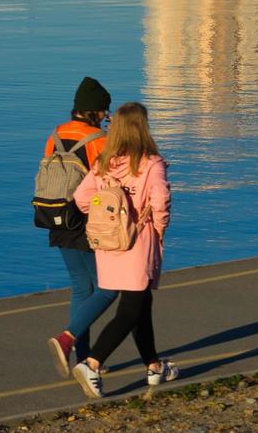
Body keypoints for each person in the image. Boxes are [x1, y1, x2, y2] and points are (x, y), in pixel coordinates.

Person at [67, 102, 176, 398]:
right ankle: (92, 362)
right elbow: (160, 200)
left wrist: (105, 218)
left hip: (109, 243)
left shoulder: (105, 161)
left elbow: (81, 197)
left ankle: (154, 366)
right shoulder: (151, 163)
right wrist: (159, 227)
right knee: (130, 310)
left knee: (140, 305)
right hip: (138, 242)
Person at [42, 78, 116, 376]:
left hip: (55, 217)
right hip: (86, 222)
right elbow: (110, 183)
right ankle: (67, 339)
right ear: (96, 111)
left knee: (80, 288)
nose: (105, 116)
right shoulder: (99, 140)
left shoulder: (55, 135)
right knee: (108, 288)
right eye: (105, 111)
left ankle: (85, 359)